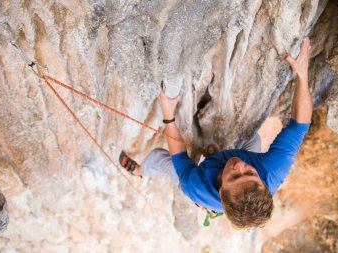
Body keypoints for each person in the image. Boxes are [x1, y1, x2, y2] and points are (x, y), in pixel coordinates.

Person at [119, 38, 312, 228]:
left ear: (221, 192)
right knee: (252, 137)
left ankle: (139, 171)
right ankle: (221, 160)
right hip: (242, 166)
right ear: (261, 180)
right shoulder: (272, 170)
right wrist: (302, 75)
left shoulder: (197, 188)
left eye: (234, 177)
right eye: (250, 172)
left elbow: (179, 156)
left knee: (157, 158)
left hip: (202, 186)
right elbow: (300, 124)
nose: (239, 165)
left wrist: (168, 114)